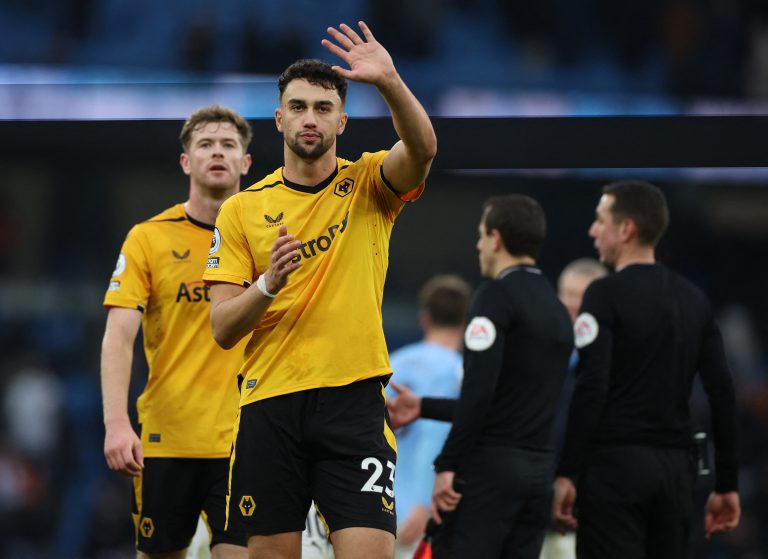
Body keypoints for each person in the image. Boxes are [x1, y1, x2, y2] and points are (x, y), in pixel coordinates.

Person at [202, 21, 436, 559]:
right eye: (300, 107)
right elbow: (221, 327)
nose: (311, 118)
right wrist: (267, 284)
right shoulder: (242, 209)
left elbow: (422, 149)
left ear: (343, 121)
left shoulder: (371, 184)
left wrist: (391, 81)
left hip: (353, 402)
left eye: (324, 108)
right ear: (280, 118)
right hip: (270, 404)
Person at [552, 180, 741, 558]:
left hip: (614, 472)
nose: (592, 230)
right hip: (676, 473)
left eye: (600, 220)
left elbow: (592, 386)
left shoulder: (603, 295)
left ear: (626, 230)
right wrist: (726, 484)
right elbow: (722, 392)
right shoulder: (694, 300)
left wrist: (567, 472)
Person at [100, 106, 253, 558]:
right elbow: (118, 337)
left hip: (245, 440)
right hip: (168, 438)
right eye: (205, 144)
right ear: (186, 162)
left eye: (229, 144)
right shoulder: (148, 239)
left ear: (246, 162)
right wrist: (115, 424)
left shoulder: (264, 237)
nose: (217, 152)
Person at [390, 195, 574, 559]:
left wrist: (448, 465)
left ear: (496, 238)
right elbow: (506, 401)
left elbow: (479, 392)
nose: (477, 245)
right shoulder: (557, 310)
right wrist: (424, 406)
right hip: (537, 477)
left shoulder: (494, 297)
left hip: (489, 475)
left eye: (480, 235)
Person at [385, 275, 471, 559]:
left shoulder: (392, 366)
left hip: (378, 506)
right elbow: (435, 439)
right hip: (426, 512)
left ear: (424, 319)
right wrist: (422, 503)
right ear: (466, 323)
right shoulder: (461, 375)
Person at [539, 259, 607, 559]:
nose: (573, 304)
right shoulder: (537, 355)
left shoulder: (614, 367)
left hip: (591, 511)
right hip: (536, 505)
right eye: (568, 294)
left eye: (583, 297)